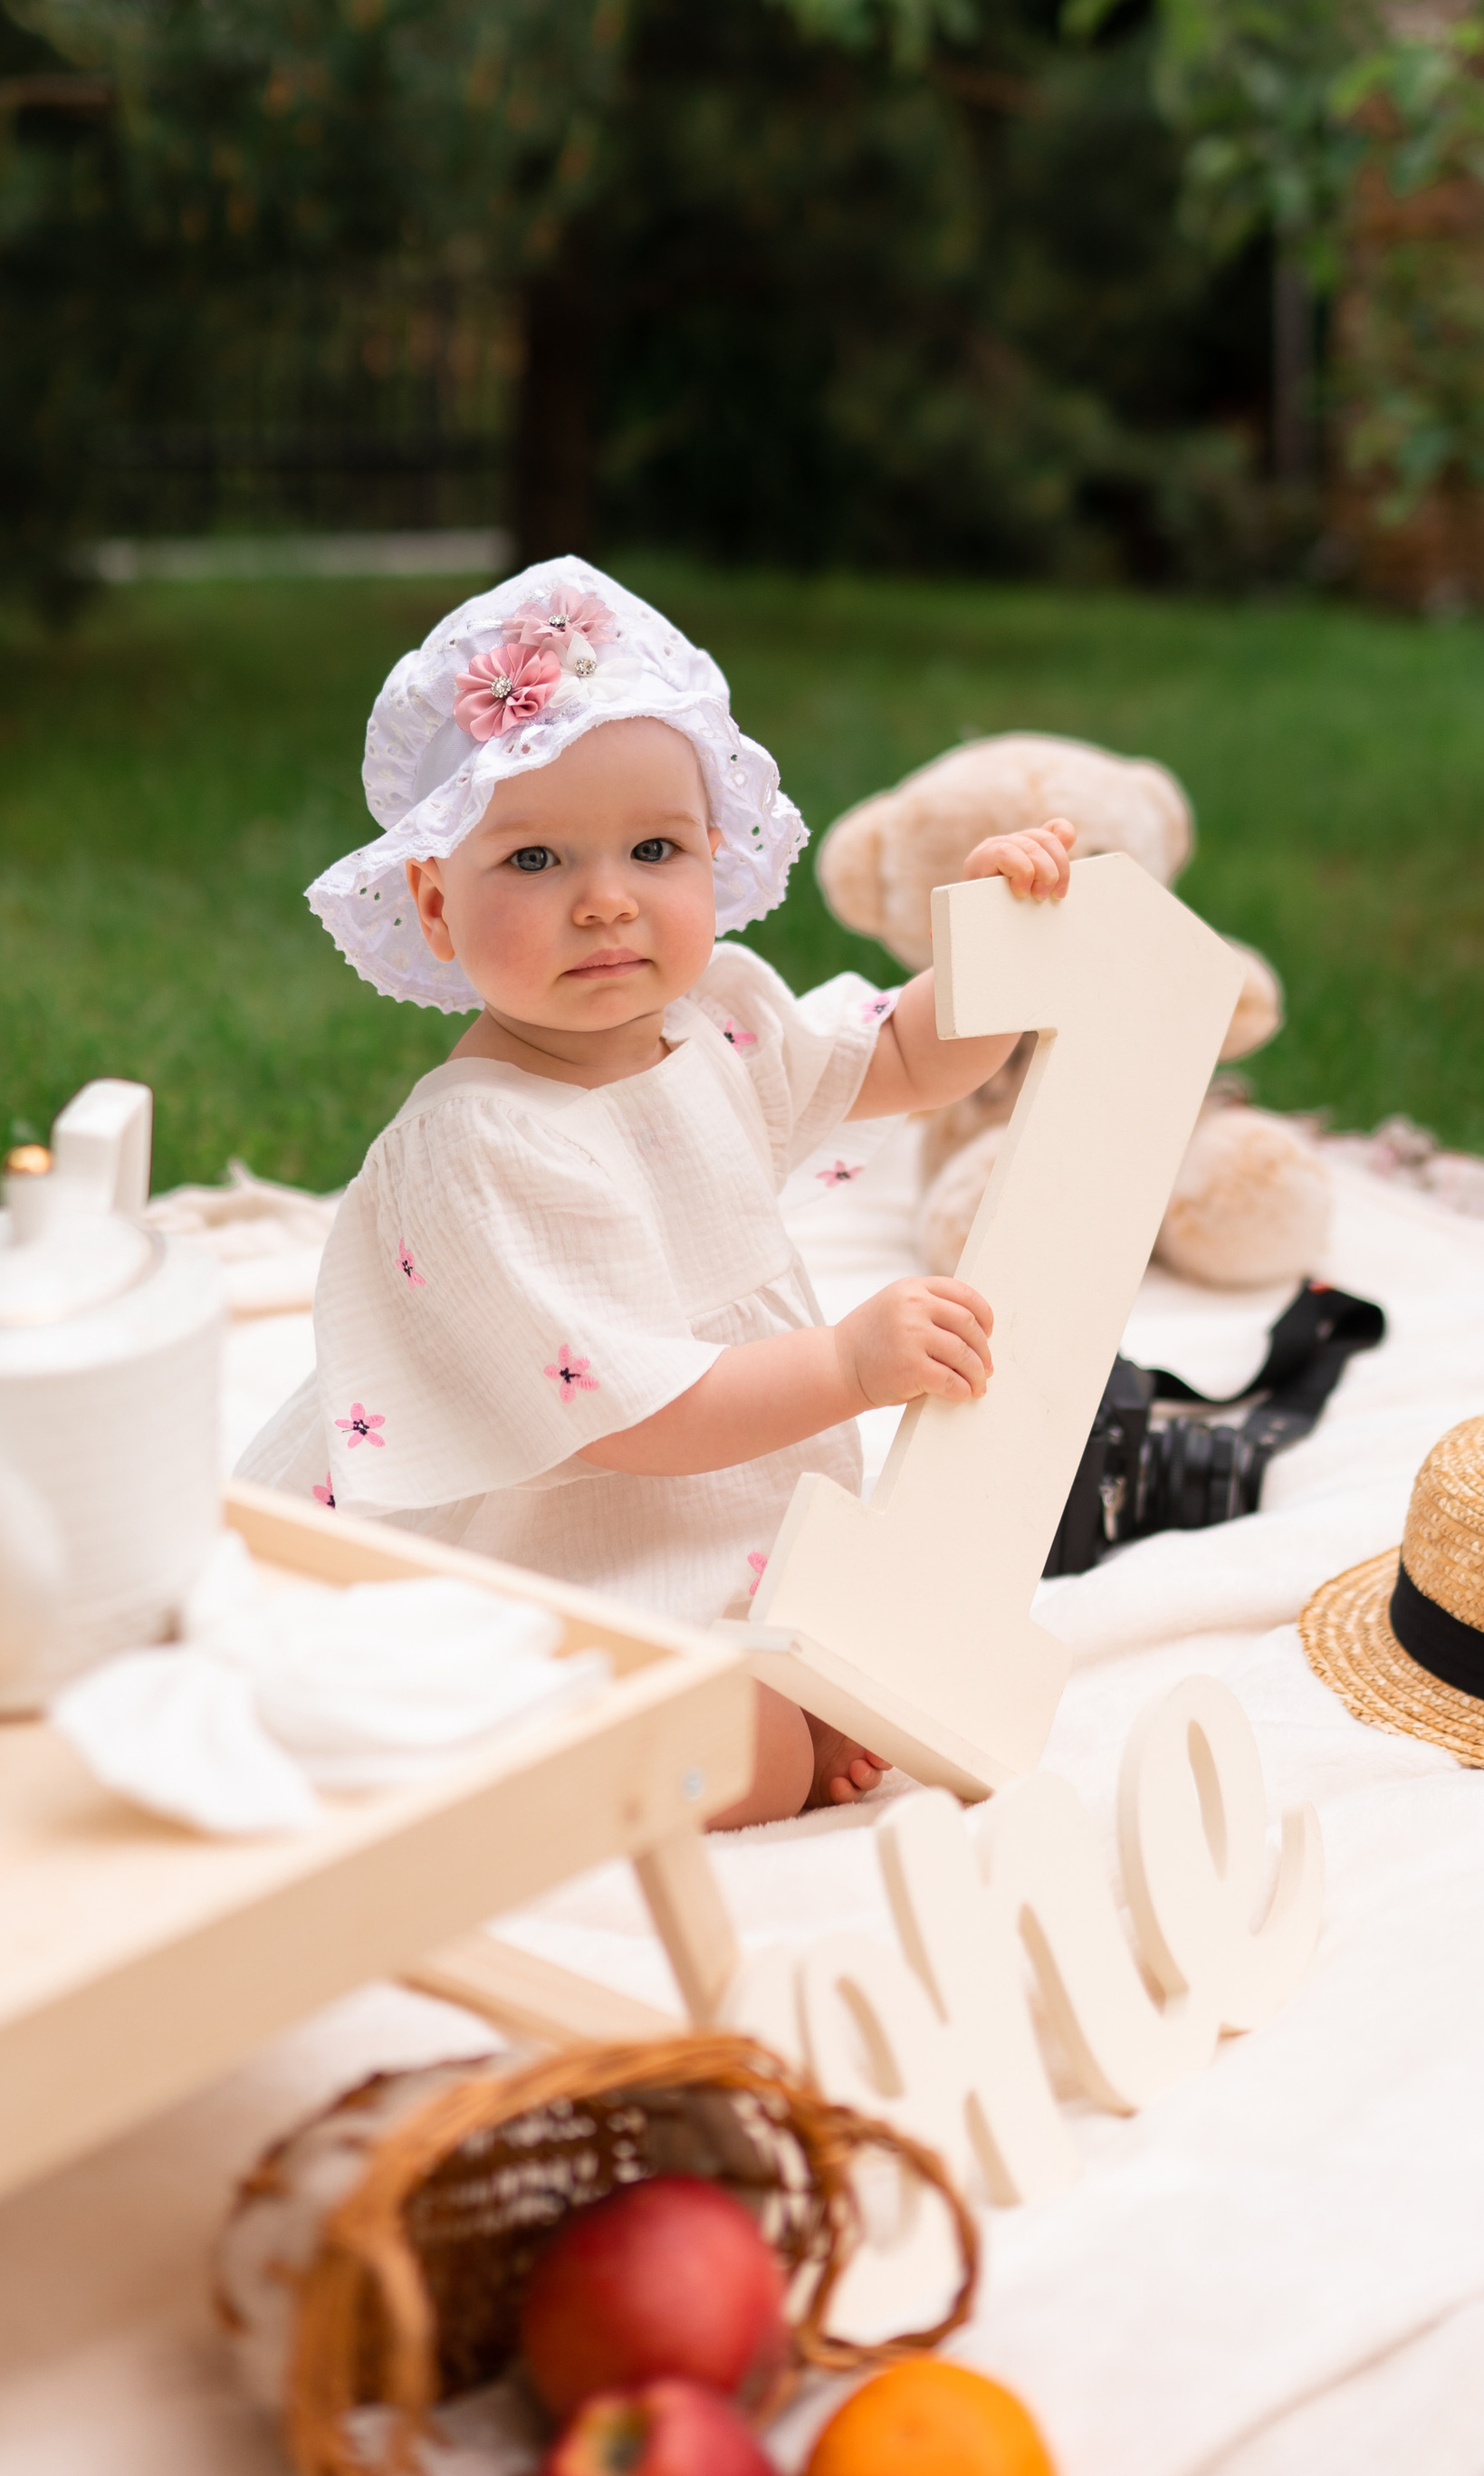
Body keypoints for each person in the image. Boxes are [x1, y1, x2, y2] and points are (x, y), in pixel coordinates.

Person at [236, 560, 1074, 1824]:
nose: (607, 898)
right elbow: (626, 1415)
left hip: (720, 1491)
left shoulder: (717, 1018)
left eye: (653, 847)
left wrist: (992, 939)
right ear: (435, 904)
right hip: (558, 1540)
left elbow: (907, 1058)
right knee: (749, 1752)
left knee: (855, 1664)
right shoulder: (479, 1146)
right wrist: (846, 1367)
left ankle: (774, 1672)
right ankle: (659, 1720)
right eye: (533, 857)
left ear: (715, 853)